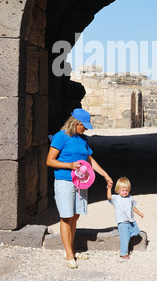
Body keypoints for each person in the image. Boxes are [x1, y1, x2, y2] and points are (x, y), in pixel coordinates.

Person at [47, 108, 113, 268]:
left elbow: (89, 160)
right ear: (75, 123)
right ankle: (69, 253)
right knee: (66, 217)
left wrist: (105, 174)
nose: (85, 128)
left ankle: (69, 248)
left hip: (81, 182)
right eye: (83, 125)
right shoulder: (60, 137)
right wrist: (69, 165)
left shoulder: (83, 139)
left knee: (75, 216)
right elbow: (50, 161)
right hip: (65, 181)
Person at [107, 176, 144, 259]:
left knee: (137, 231)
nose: (125, 192)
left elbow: (133, 206)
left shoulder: (130, 197)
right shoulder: (116, 198)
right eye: (123, 190)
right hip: (122, 222)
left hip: (131, 221)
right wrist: (109, 188)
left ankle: (129, 235)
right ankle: (124, 253)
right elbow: (109, 197)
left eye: (127, 190)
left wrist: (139, 213)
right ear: (118, 190)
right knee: (124, 238)